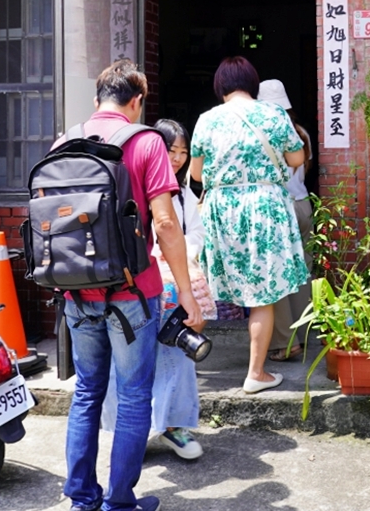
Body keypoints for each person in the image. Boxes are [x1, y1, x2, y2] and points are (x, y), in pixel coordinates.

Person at [61, 60, 201, 511]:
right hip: (132, 294)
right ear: (137, 101)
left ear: (97, 98)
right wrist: (186, 291)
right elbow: (165, 222)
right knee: (135, 395)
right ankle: (120, 502)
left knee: (87, 391)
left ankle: (82, 497)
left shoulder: (64, 142)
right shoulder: (145, 143)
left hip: (76, 292)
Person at [189, 56, 309, 394]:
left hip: (224, 210)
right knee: (263, 295)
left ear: (221, 86)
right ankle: (256, 373)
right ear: (252, 84)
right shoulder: (272, 115)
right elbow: (297, 158)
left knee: (231, 289)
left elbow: (196, 174)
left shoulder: (207, 120)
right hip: (264, 209)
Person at [101, 119, 215, 462]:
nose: (177, 159)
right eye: (171, 151)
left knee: (175, 352)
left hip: (171, 282)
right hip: (138, 284)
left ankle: (172, 424)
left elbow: (193, 233)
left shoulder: (182, 192)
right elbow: (160, 230)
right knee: (127, 359)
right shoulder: (134, 184)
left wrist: (182, 262)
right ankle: (129, 430)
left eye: (183, 153)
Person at [258, 79, 315, 363]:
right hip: (304, 205)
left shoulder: (263, 133)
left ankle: (284, 342)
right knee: (303, 272)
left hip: (280, 208)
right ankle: (303, 334)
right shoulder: (301, 132)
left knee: (277, 274)